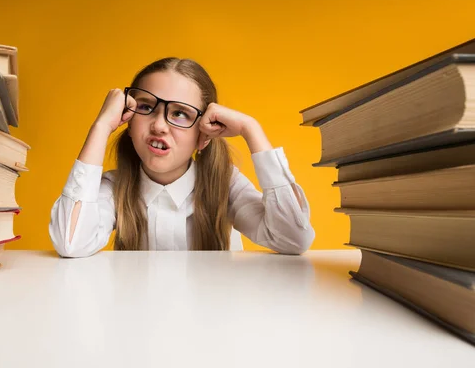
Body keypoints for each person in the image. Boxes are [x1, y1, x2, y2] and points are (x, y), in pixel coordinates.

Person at [49, 57, 315, 257]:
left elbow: (294, 238)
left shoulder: (225, 184)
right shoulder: (115, 187)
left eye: (179, 113)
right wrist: (100, 127)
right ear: (128, 122)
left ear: (203, 136)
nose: (159, 126)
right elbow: (71, 243)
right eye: (146, 106)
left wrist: (251, 129)